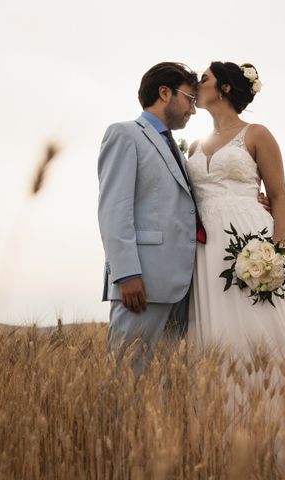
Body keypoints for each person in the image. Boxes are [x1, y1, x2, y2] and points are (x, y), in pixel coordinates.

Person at [97, 62, 269, 377]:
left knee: (160, 384)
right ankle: (116, 430)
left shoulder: (177, 148)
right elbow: (113, 210)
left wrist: (249, 202)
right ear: (165, 93)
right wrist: (127, 275)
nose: (193, 109)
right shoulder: (125, 134)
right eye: (190, 99)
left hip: (184, 286)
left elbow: (193, 201)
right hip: (142, 284)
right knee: (125, 376)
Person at [186, 62, 285, 427]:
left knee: (255, 334)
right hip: (204, 250)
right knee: (213, 338)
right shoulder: (192, 145)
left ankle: (270, 429)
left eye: (203, 79)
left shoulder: (256, 134)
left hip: (247, 244)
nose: (196, 84)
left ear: (223, 88)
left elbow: (280, 197)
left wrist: (276, 253)